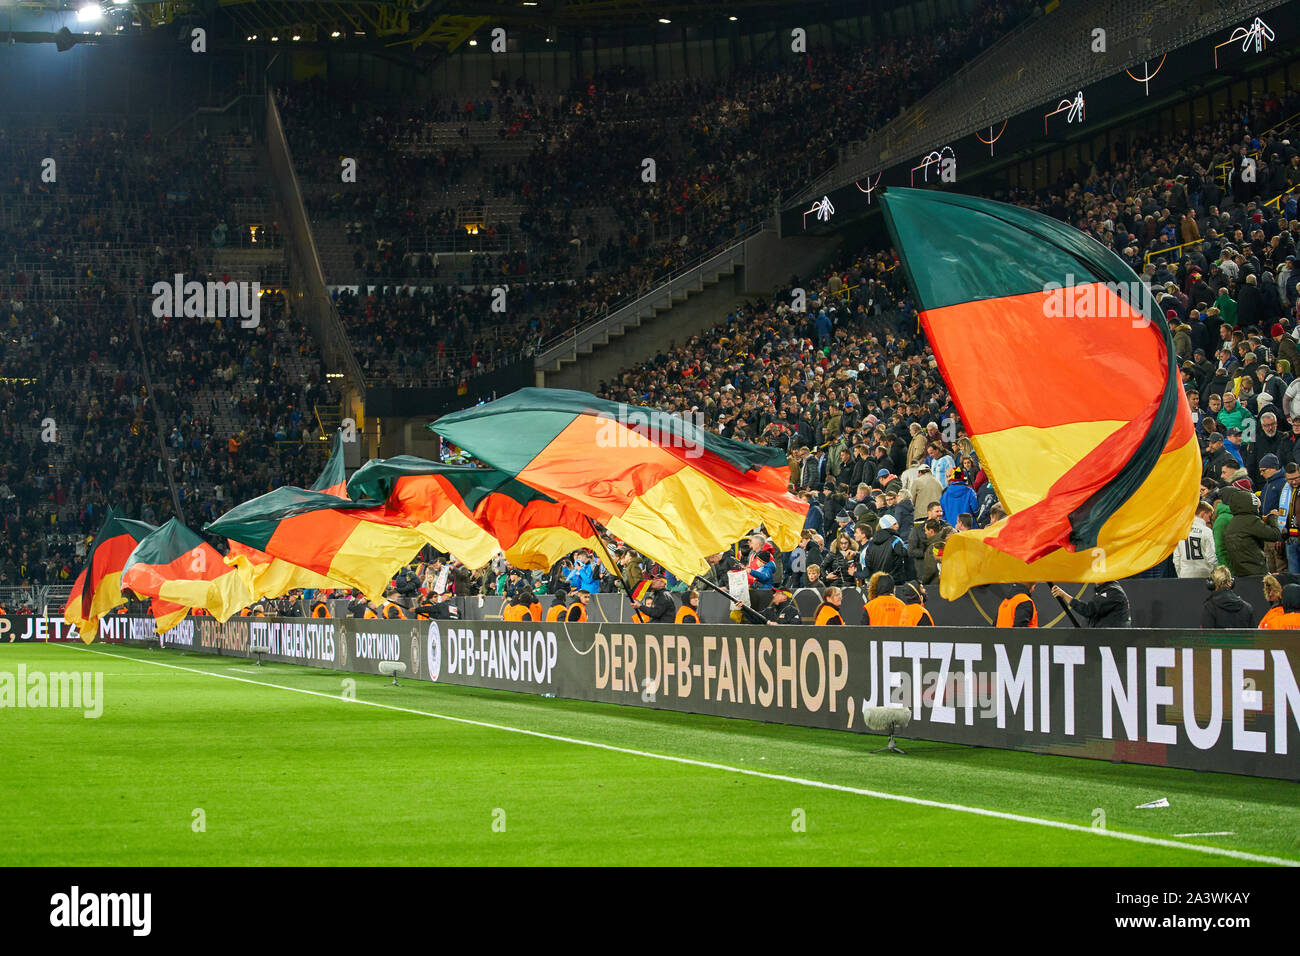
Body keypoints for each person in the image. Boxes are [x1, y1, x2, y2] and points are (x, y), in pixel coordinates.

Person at [1049, 581, 1131, 627]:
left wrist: (1064, 595)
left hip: (1114, 641)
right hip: (1106, 639)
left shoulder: (1113, 591)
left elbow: (1088, 610)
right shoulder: (1103, 590)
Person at [1173, 501, 1218, 577]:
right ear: (1203, 513)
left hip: (1186, 573)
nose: (1208, 520)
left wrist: (1180, 574)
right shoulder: (1207, 531)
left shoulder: (1181, 531)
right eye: (1209, 516)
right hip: (1204, 574)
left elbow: (1176, 557)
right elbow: (1211, 557)